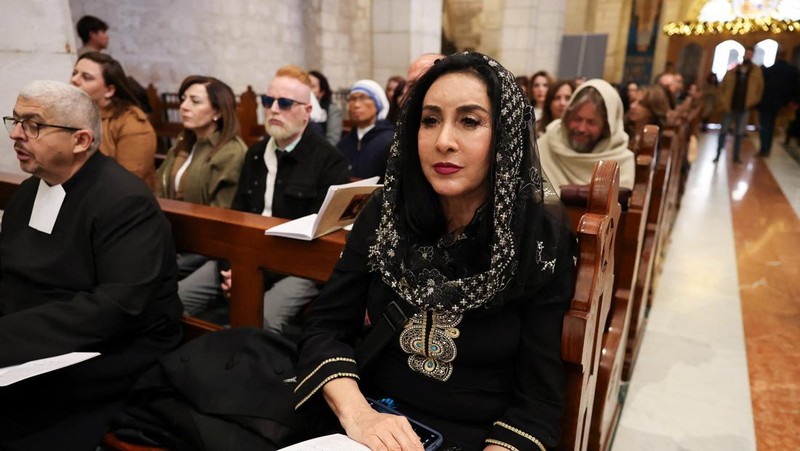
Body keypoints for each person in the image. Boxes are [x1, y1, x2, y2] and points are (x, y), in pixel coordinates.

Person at [293, 52, 577, 450]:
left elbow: (537, 404)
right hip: (368, 420)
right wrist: (359, 416)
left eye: (470, 121)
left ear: (506, 135)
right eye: (429, 120)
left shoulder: (537, 239)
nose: (443, 141)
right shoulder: (387, 212)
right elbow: (326, 327)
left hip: (473, 439)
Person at [0, 80, 182, 450]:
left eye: (33, 125)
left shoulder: (124, 202)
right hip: (40, 332)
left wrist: (7, 337)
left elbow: (117, 306)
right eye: (15, 121)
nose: (16, 134)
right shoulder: (29, 192)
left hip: (116, 345)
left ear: (81, 141)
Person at [181, 65, 351, 332]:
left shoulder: (330, 162)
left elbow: (319, 240)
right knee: (177, 299)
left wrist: (251, 274)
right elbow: (236, 217)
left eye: (284, 103)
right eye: (268, 101)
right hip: (245, 256)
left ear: (306, 112)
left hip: (297, 267)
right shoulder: (256, 154)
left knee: (260, 321)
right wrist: (233, 268)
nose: (273, 109)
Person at [71, 52, 157, 190]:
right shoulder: (71, 115)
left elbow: (128, 181)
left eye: (86, 77)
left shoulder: (132, 123)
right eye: (74, 73)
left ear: (109, 90)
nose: (74, 80)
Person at [156, 75, 246, 207]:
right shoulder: (184, 140)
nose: (184, 107)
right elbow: (160, 181)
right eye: (183, 99)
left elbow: (223, 212)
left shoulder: (231, 151)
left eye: (195, 101)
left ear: (218, 112)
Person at [537, 79, 635, 195]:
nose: (581, 129)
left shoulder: (621, 161)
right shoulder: (546, 144)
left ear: (607, 127)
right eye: (577, 119)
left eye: (591, 122)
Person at [337, 79, 394, 180]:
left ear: (378, 104)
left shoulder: (389, 141)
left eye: (363, 98)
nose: (356, 105)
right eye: (352, 99)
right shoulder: (344, 143)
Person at [714, 47, 763, 164]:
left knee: (739, 133)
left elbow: (759, 89)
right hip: (730, 106)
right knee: (723, 131)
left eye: (751, 54)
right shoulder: (733, 70)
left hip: (744, 107)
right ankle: (718, 154)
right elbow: (723, 87)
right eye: (747, 54)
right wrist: (722, 101)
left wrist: (753, 101)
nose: (749, 56)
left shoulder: (756, 71)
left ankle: (736, 157)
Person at [758, 46, 799, 157]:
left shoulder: (768, 70)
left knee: (765, 125)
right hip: (781, 103)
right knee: (772, 126)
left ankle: (764, 149)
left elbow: (760, 87)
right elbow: (796, 87)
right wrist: (794, 101)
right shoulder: (792, 71)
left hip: (766, 102)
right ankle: (767, 148)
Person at [309, 70, 343, 146]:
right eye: (305, 85)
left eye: (312, 86)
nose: (308, 90)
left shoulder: (332, 110)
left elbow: (333, 140)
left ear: (321, 92)